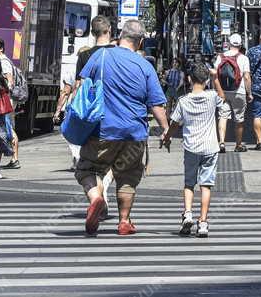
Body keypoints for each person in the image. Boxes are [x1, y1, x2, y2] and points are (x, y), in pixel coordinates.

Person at [74, 19, 169, 236]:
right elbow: (156, 103)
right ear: (142, 41)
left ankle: (96, 198)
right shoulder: (145, 66)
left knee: (87, 168)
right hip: (134, 133)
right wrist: (165, 129)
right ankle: (124, 221)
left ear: (119, 35)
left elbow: (82, 83)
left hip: (103, 130)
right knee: (127, 176)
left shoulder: (101, 55)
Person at [161, 62, 224, 238]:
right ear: (206, 81)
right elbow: (223, 98)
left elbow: (174, 124)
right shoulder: (211, 97)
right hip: (210, 147)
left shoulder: (183, 101)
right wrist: (216, 78)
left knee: (189, 183)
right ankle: (203, 222)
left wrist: (167, 137)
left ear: (189, 79)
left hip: (191, 147)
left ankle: (187, 213)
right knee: (206, 185)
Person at [55, 16, 116, 171]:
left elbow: (80, 84)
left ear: (93, 33)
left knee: (90, 161)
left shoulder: (84, 55)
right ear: (109, 30)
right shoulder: (117, 53)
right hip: (113, 110)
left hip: (91, 111)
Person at [211, 34, 251, 153]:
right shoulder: (244, 58)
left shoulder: (220, 57)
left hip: (223, 91)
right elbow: (247, 77)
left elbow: (214, 75)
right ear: (240, 44)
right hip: (239, 91)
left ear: (229, 43)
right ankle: (238, 145)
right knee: (239, 119)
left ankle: (221, 143)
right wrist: (249, 93)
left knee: (223, 116)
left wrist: (216, 90)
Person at [0, 38, 20, 170]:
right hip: (4, 99)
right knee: (7, 127)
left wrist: (3, 93)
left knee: (8, 128)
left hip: (6, 100)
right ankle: (13, 158)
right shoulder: (0, 61)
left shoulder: (4, 62)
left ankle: (15, 158)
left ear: (1, 49)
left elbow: (10, 81)